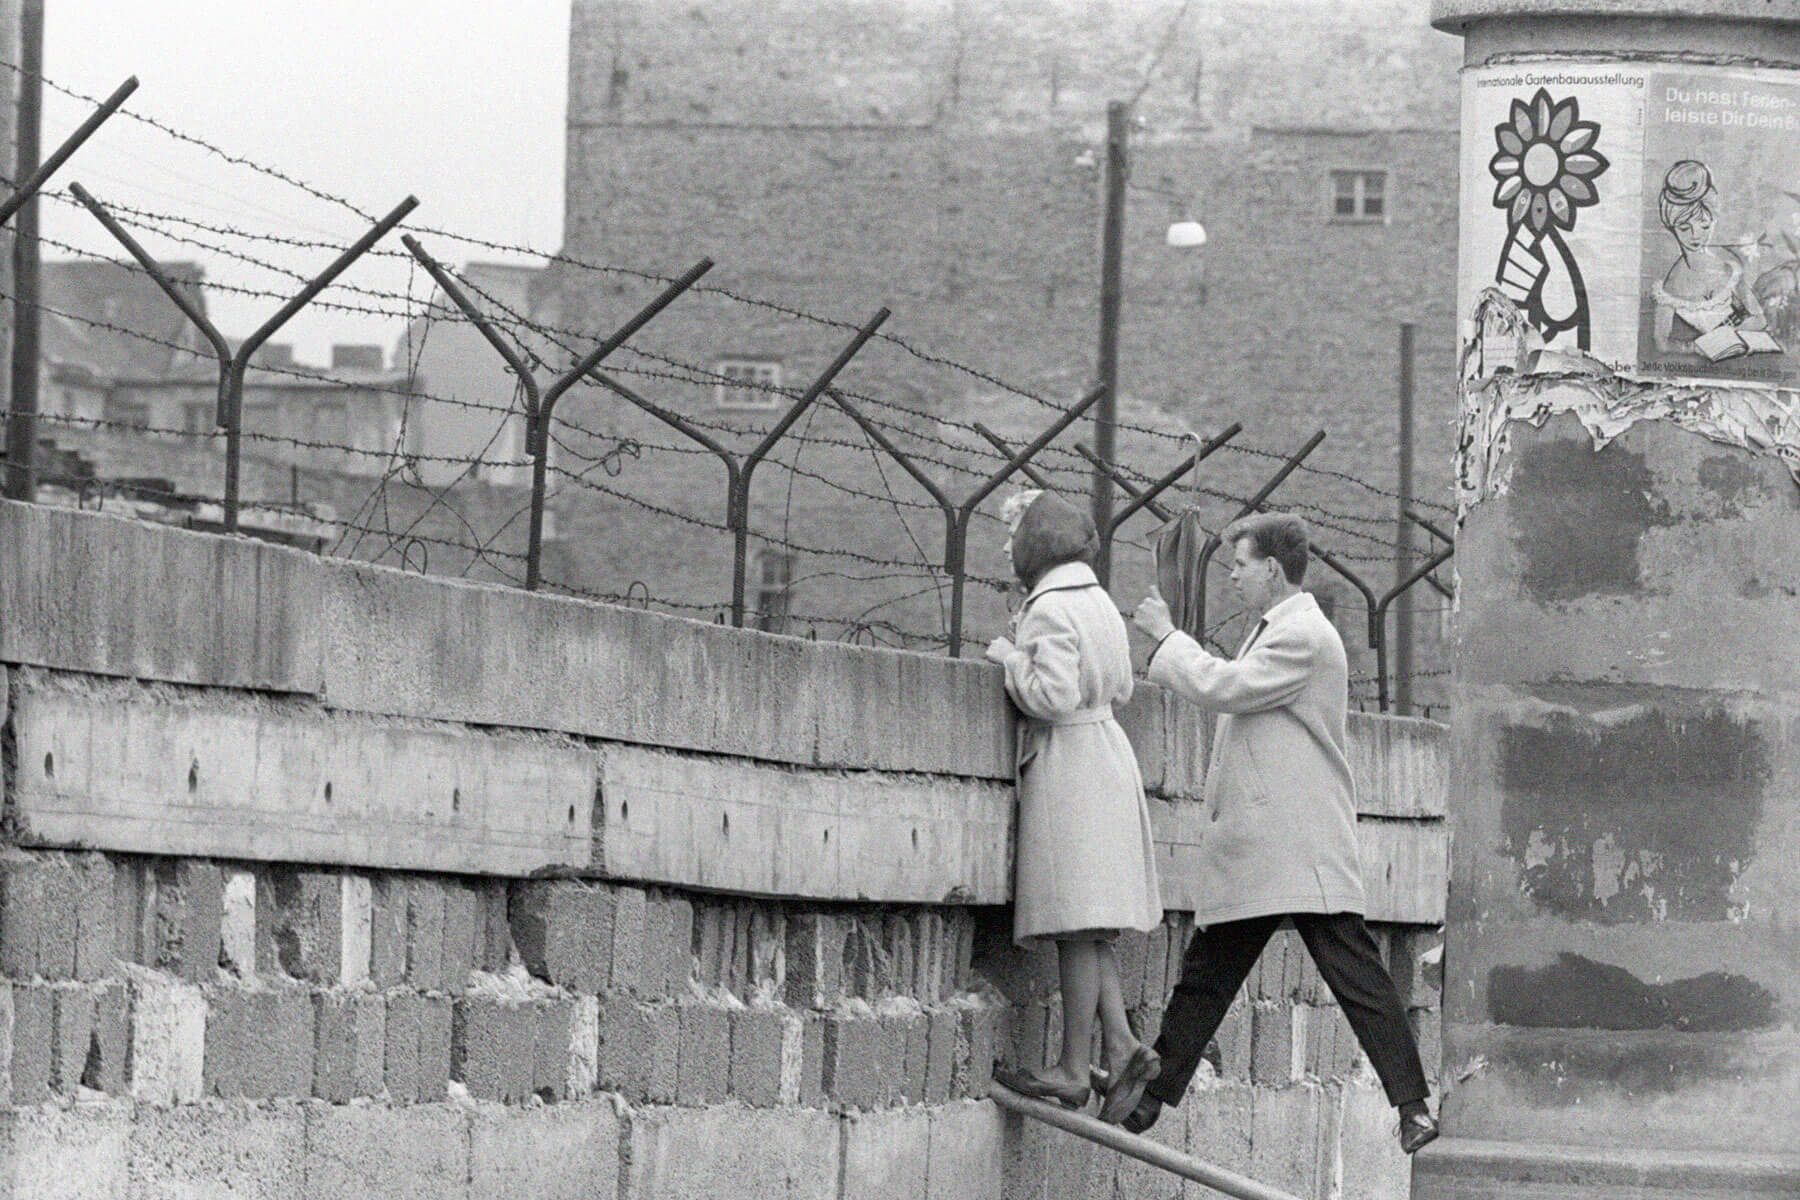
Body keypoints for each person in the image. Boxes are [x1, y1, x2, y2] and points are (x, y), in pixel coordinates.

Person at [1116, 512, 1438, 1154]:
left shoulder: (1304, 637)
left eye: (1239, 564)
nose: (1231, 574)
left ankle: (1413, 1106)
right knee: (1211, 970)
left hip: (1296, 844)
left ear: (1271, 567)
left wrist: (1166, 640)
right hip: (1274, 844)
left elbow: (1224, 688)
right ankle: (1149, 1099)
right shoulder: (1279, 630)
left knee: (1354, 975)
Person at [984, 489, 1164, 1110]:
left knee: (1073, 923)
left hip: (1071, 765)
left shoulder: (1049, 610)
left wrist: (1010, 657)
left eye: (1012, 535)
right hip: (1107, 753)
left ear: (1037, 540)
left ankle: (1071, 1068)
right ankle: (1120, 1047)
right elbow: (1125, 686)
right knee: (1090, 925)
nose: (1006, 548)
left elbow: (1050, 696)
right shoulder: (1099, 604)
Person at [1651, 160, 1771, 354]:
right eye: (1684, 228)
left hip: (1751, 346)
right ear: (1672, 228)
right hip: (1711, 356)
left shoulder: (1727, 265)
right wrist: (1697, 347)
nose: (1696, 235)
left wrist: (1730, 336)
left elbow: (1759, 318)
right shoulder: (1670, 286)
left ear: (1712, 222)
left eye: (1704, 226)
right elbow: (1661, 343)